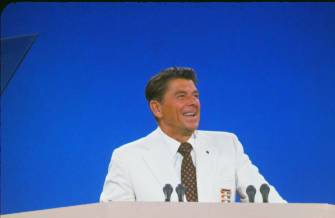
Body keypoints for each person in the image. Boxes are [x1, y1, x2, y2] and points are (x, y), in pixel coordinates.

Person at [100, 67, 286, 204]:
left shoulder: (228, 145)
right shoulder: (127, 158)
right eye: (181, 96)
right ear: (157, 108)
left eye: (195, 95)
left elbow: (269, 203)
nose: (193, 103)